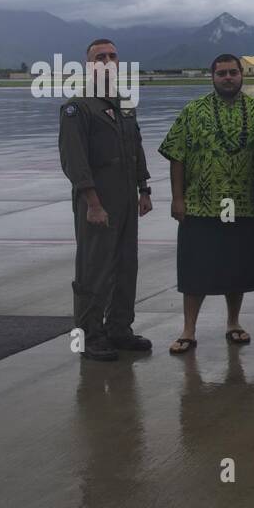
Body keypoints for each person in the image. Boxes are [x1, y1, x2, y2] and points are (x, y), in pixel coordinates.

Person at [159, 54, 254, 354]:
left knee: (237, 266)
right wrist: (177, 197)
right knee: (196, 268)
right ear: (213, 77)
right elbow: (177, 155)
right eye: (222, 73)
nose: (228, 77)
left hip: (246, 203)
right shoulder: (193, 111)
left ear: (242, 75)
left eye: (233, 72)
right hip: (202, 203)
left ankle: (233, 323)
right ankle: (188, 329)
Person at [58, 37, 153, 361]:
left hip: (126, 197)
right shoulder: (78, 107)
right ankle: (90, 336)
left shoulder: (125, 102)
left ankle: (119, 329)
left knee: (126, 266)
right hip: (97, 199)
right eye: (100, 57)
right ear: (89, 64)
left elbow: (135, 146)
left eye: (113, 56)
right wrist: (93, 203)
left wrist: (144, 189)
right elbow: (74, 160)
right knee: (93, 269)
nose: (107, 61)